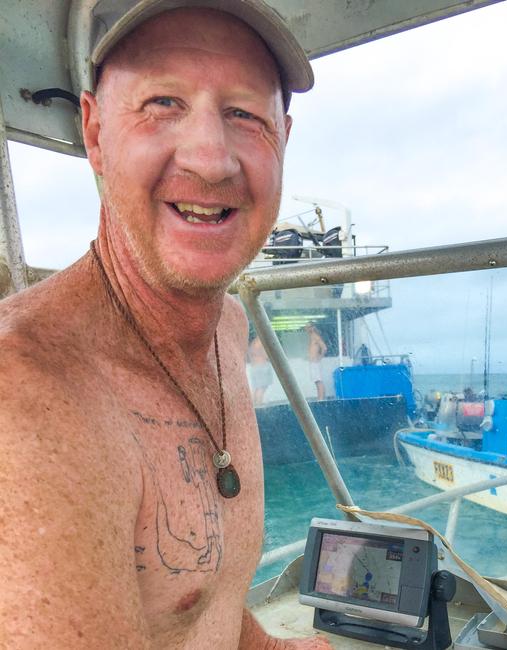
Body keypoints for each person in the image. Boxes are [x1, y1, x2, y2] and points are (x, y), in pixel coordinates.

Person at [0, 2, 333, 648]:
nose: (211, 160)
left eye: (243, 114)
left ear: (283, 139)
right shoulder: (28, 401)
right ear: (95, 133)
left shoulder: (229, 331)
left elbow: (201, 598)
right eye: (162, 103)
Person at [305, 323, 328, 400]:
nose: (306, 329)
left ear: (312, 327)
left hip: (315, 362)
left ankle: (321, 399)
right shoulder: (312, 337)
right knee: (316, 381)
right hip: (313, 362)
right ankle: (320, 398)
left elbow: (324, 348)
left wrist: (320, 357)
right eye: (306, 327)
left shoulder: (315, 336)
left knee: (318, 381)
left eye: (308, 327)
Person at [248, 335, 273, 405]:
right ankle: (258, 404)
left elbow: (251, 354)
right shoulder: (260, 341)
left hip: (255, 367)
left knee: (257, 388)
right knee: (261, 388)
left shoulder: (253, 343)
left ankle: (255, 404)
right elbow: (266, 355)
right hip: (261, 367)